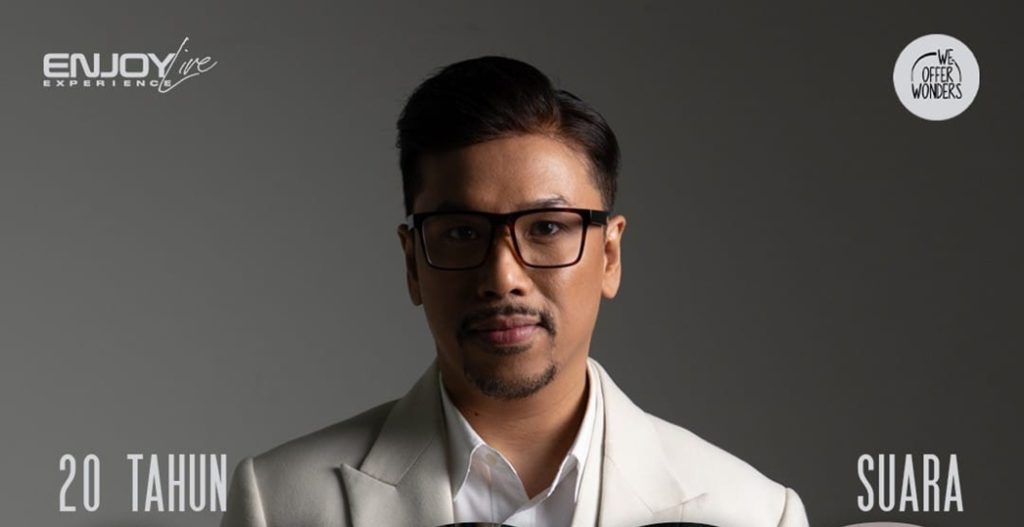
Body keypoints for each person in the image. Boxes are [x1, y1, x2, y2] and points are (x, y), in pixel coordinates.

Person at [221, 56, 809, 527]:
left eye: (547, 228)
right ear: (412, 263)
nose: (503, 277)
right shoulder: (278, 503)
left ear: (609, 256)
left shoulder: (754, 513)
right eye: (460, 232)